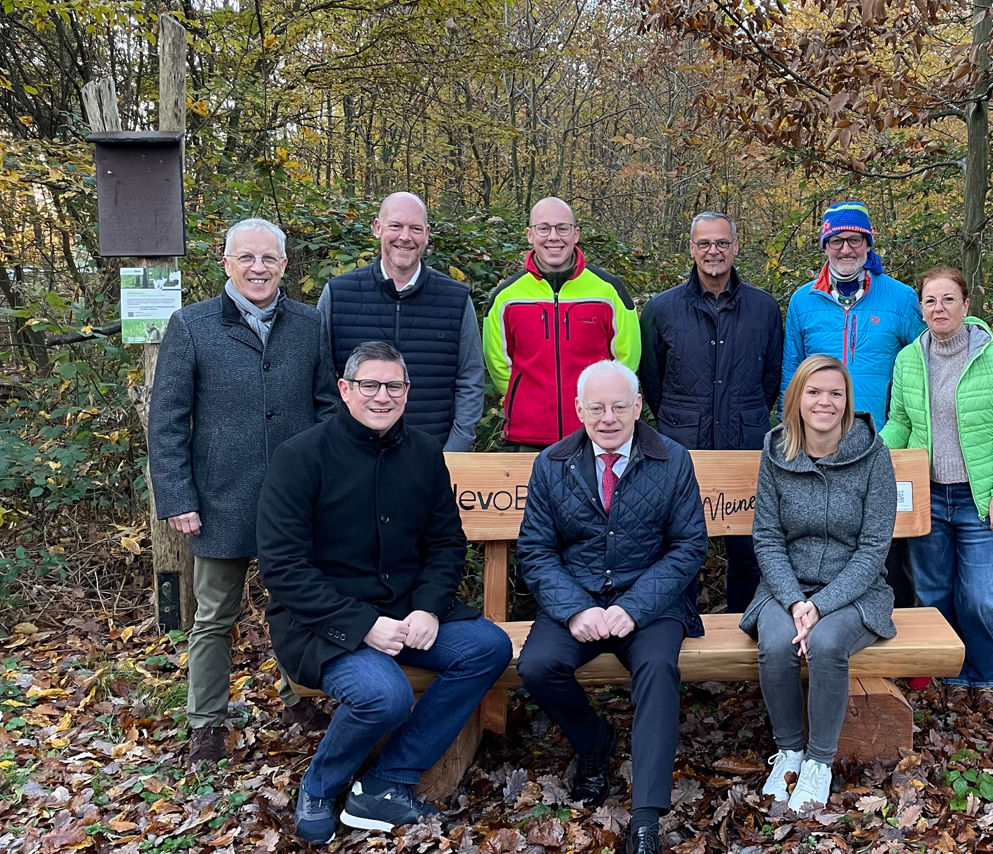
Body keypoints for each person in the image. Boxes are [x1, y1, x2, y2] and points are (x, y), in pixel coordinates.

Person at [257, 341, 513, 843]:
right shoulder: (299, 457)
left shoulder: (423, 452)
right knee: (384, 696)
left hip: (406, 611)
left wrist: (428, 608)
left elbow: (446, 543)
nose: (382, 396)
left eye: (393, 386)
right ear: (345, 390)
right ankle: (321, 785)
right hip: (323, 623)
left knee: (488, 647)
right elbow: (284, 568)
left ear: (407, 391)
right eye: (370, 385)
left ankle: (385, 781)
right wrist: (362, 625)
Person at [148, 217, 340, 766]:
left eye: (269, 258)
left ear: (284, 265)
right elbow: (167, 421)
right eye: (247, 258)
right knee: (213, 617)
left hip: (296, 502)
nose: (259, 268)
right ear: (226, 263)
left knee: (297, 605)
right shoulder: (192, 325)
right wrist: (178, 498)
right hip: (218, 500)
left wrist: (327, 483)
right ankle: (206, 723)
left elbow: (328, 406)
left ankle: (296, 698)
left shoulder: (309, 324)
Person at [516, 360, 707, 854]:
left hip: (651, 602)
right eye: (597, 407)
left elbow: (688, 546)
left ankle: (645, 818)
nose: (608, 418)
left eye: (619, 406)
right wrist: (576, 609)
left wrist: (635, 607)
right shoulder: (552, 463)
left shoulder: (673, 460)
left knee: (658, 667)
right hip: (577, 598)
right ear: (579, 409)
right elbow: (536, 550)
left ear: (638, 406)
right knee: (537, 666)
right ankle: (594, 741)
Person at [742, 355, 898, 812]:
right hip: (786, 587)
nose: (824, 402)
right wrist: (795, 602)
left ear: (847, 401)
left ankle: (819, 762)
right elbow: (767, 538)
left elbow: (874, 547)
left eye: (835, 393)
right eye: (814, 392)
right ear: (797, 398)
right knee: (776, 642)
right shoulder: (776, 452)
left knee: (827, 643)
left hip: (856, 590)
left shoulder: (873, 454)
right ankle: (789, 751)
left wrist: (821, 605)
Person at [881, 267, 993, 709]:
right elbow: (900, 423)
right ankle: (947, 673)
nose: (939, 308)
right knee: (933, 593)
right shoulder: (909, 359)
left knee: (978, 597)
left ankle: (983, 674)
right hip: (927, 496)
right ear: (921, 308)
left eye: (948, 299)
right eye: (930, 300)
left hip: (978, 498)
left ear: (966, 305)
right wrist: (871, 453)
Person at [780, 200, 925, 610]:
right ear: (825, 245)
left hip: (882, 441)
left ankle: (898, 635)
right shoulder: (803, 300)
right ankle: (828, 623)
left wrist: (912, 430)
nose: (846, 249)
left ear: (868, 244)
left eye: (855, 240)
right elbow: (791, 373)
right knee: (828, 540)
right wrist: (788, 433)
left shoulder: (901, 298)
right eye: (837, 240)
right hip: (819, 445)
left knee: (891, 548)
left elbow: (923, 364)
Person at [639, 211, 783, 612]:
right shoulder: (662, 308)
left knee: (749, 549)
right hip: (682, 447)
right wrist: (680, 419)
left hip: (745, 446)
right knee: (679, 547)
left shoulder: (764, 308)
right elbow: (652, 380)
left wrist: (746, 416)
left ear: (735, 247)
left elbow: (770, 377)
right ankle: (680, 628)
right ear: (691, 249)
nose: (713, 251)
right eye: (704, 243)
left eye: (721, 243)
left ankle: (744, 627)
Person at [318, 191, 484, 450]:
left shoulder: (456, 299)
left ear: (426, 234)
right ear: (377, 228)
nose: (405, 237)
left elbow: (470, 379)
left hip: (433, 452)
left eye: (415, 228)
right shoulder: (338, 293)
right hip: (351, 453)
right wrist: (334, 443)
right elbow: (321, 379)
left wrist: (455, 448)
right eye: (395, 226)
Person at [484, 197, 641, 448]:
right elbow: (500, 365)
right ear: (530, 235)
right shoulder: (506, 297)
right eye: (544, 228)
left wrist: (603, 408)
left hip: (596, 436)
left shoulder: (609, 291)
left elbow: (627, 360)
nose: (553, 237)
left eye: (562, 228)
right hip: (528, 436)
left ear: (576, 234)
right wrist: (524, 399)